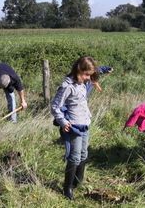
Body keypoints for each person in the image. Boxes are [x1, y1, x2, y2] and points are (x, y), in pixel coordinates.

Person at [51, 56, 97, 200]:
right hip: (74, 126)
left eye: (90, 75)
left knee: (84, 154)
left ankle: (78, 182)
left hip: (85, 124)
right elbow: (55, 106)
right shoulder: (67, 86)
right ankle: (67, 188)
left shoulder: (82, 83)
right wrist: (63, 122)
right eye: (86, 74)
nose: (89, 78)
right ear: (78, 70)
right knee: (75, 156)